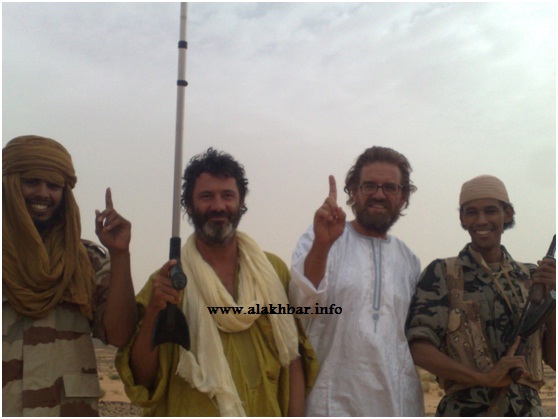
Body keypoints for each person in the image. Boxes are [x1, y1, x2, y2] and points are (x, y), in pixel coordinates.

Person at [116, 148, 317, 416]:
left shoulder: (272, 271)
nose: (218, 206)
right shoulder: (168, 281)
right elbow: (143, 379)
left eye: (227, 196)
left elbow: (292, 358)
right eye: (206, 196)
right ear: (189, 206)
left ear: (241, 202)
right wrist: (154, 311)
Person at [2, 135, 137, 416]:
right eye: (31, 182)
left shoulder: (86, 261)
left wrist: (120, 255)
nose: (43, 193)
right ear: (9, 185)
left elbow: (119, 335)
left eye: (54, 186)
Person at [289, 146, 425, 416]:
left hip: (398, 405)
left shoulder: (409, 259)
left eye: (390, 187)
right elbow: (302, 305)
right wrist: (322, 245)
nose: (379, 194)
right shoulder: (320, 237)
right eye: (369, 185)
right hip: (330, 405)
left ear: (403, 197)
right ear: (353, 191)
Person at [406, 174, 556, 416]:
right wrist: (484, 378)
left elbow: (553, 359)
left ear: (507, 214)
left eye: (490, 211)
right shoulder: (443, 273)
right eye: (472, 212)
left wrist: (552, 299)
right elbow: (419, 347)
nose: (481, 220)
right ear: (462, 219)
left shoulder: (531, 277)